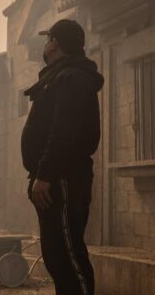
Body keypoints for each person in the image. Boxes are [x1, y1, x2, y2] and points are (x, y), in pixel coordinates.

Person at [21, 19, 103, 294]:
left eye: (47, 40)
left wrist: (45, 175)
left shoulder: (71, 77)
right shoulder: (61, 75)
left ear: (54, 43)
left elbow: (63, 132)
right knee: (56, 256)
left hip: (63, 177)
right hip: (54, 177)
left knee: (68, 255)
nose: (45, 45)